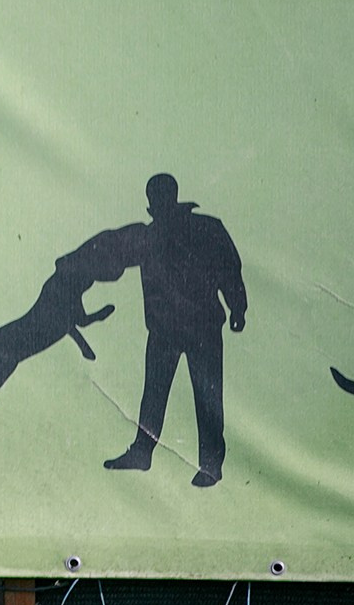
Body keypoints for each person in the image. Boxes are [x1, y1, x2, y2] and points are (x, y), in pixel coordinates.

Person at [100, 173, 246, 486]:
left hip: (200, 327)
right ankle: (144, 453)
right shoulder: (152, 235)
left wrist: (238, 307)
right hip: (167, 330)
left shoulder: (203, 228)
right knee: (156, 394)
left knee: (206, 396)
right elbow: (112, 258)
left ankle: (210, 466)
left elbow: (229, 268)